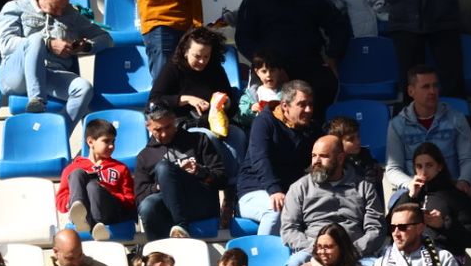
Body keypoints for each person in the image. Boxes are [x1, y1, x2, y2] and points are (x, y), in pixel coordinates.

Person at [235, 0, 350, 107]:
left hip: (307, 65)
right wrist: (266, 65)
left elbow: (338, 25)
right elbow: (243, 37)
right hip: (270, 69)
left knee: (325, 85)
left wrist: (333, 55)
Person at [0, 0, 112, 123]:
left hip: (51, 73)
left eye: (63, 7)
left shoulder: (71, 14)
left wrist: (86, 47)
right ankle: (37, 100)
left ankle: (61, 134)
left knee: (84, 88)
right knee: (37, 39)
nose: (60, 12)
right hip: (18, 73)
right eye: (55, 7)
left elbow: (106, 38)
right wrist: (49, 44)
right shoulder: (15, 7)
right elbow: (6, 44)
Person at [281, 135, 383, 266]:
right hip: (313, 251)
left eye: (324, 156)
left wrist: (350, 251)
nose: (316, 161)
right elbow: (289, 229)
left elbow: (376, 229)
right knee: (294, 264)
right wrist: (316, 249)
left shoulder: (364, 188)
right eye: (314, 156)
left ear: (341, 158)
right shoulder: (300, 188)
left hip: (355, 253)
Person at [135, 100, 225, 240]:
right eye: (158, 130)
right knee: (147, 205)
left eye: (168, 127)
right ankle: (157, 254)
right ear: (148, 127)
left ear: (174, 120)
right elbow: (140, 195)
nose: (164, 134)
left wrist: (199, 171)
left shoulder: (198, 140)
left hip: (199, 201)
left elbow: (221, 178)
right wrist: (163, 184)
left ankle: (181, 227)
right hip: (168, 207)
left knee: (164, 167)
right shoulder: (144, 156)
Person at [239, 80, 320, 236]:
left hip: (290, 194)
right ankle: (264, 258)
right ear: (285, 106)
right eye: (302, 104)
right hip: (255, 190)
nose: (309, 110)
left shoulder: (312, 129)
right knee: (276, 211)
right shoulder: (264, 122)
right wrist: (274, 189)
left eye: (311, 104)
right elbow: (260, 159)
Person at [384, 67, 471, 200]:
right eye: (426, 87)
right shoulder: (397, 125)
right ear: (411, 91)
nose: (432, 91)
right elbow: (393, 168)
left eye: (435, 86)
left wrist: (464, 181)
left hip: (449, 190)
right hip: (414, 192)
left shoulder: (456, 119)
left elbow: (468, 159)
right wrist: (410, 184)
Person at [395, 143, 471, 261]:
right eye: (419, 166)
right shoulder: (410, 195)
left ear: (439, 166)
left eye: (429, 165)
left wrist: (444, 225)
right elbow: (390, 228)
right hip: (412, 259)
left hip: (446, 258)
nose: (424, 172)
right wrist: (410, 196)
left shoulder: (456, 195)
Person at [57, 116, 136, 241]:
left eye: (113, 142)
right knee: (78, 173)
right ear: (90, 142)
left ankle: (95, 224)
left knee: (93, 186)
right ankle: (80, 215)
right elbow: (60, 202)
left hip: (112, 213)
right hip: (86, 213)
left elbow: (130, 200)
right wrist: (75, 198)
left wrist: (108, 192)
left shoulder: (120, 168)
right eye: (106, 141)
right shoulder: (71, 169)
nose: (111, 146)